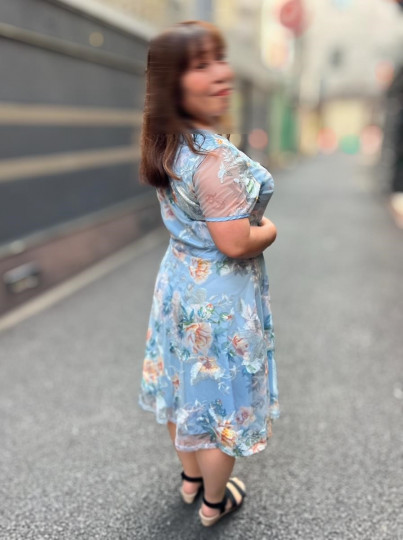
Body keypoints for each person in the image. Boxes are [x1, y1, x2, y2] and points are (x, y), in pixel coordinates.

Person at [138, 20, 280, 527]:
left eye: (219, 59)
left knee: (183, 387)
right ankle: (214, 504)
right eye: (201, 65)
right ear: (172, 85)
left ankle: (190, 479)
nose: (221, 73)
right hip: (219, 297)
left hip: (178, 282)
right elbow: (235, 242)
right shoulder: (215, 161)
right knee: (221, 403)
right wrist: (271, 232)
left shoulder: (167, 143)